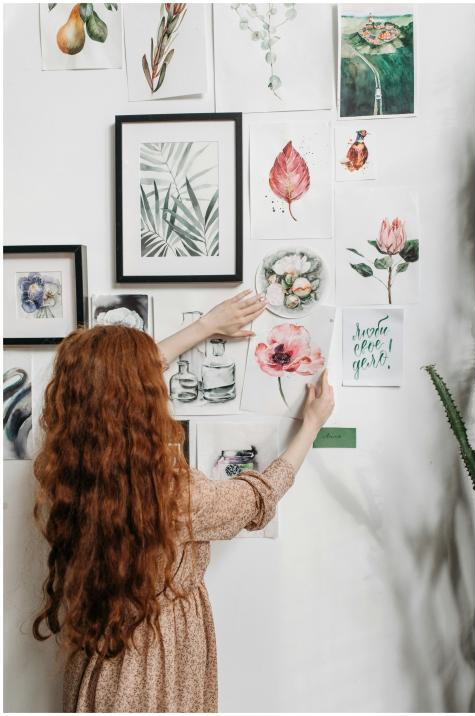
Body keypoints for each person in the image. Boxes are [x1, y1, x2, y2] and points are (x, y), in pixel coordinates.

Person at [32, 290, 335, 713]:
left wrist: (206, 326)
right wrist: (312, 426)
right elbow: (258, 498)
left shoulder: (70, 467)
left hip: (100, 661)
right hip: (155, 664)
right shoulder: (170, 495)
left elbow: (108, 384)